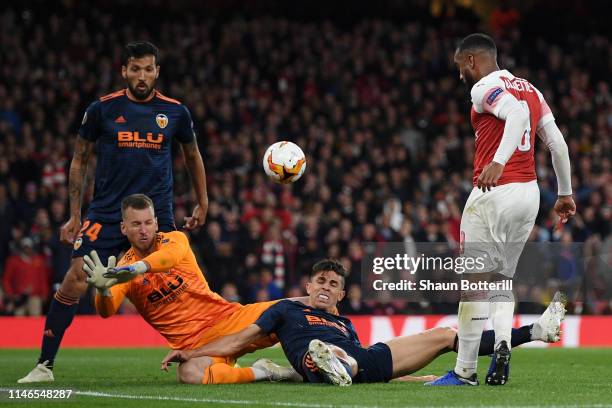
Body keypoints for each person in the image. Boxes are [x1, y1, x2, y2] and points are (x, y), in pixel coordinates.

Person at [18, 41, 209, 383]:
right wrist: (74, 215)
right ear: (124, 71)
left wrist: (203, 202)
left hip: (156, 217)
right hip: (106, 213)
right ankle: (44, 366)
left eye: (148, 69)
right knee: (75, 278)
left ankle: (211, 351)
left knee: (183, 283)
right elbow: (80, 159)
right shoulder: (102, 109)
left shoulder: (176, 111)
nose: (141, 75)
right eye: (135, 69)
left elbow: (192, 156)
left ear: (157, 72)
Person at [426, 33, 575, 386]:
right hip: (529, 194)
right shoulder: (532, 88)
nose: (460, 75)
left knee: (473, 284)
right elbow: (557, 143)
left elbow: (516, 113)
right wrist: (565, 192)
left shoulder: (483, 88)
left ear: (472, 61)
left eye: (461, 67)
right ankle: (504, 343)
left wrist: (497, 160)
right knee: (502, 278)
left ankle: (463, 372)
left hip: (493, 192)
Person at [160, 260, 565, 386]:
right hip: (315, 359)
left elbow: (383, 377)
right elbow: (237, 341)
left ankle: (534, 332)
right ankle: (332, 364)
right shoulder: (285, 310)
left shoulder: (347, 323)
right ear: (308, 285)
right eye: (319, 281)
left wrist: (424, 380)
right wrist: (193, 352)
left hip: (363, 359)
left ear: (341, 295)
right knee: (331, 355)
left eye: (333, 284)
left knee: (446, 335)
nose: (325, 288)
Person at [82, 194, 301, 384]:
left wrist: (137, 268)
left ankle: (330, 351)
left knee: (301, 305)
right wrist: (102, 291)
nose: (143, 230)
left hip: (230, 319)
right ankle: (263, 372)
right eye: (136, 224)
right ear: (124, 228)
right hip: (198, 346)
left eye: (148, 223)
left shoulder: (174, 240)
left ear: (157, 223)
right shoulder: (122, 272)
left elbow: (169, 259)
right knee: (189, 374)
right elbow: (106, 310)